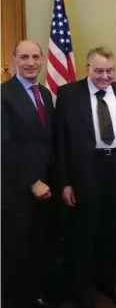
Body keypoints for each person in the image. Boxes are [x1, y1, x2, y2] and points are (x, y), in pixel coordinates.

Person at [55, 47, 116, 308]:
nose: (104, 76)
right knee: (84, 232)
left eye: (110, 70)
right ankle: (82, 289)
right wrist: (65, 181)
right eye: (98, 70)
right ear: (87, 68)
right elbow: (60, 141)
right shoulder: (68, 94)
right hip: (83, 171)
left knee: (113, 231)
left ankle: (109, 281)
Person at [1, 40, 55, 308]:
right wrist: (32, 181)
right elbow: (4, 147)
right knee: (17, 252)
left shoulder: (43, 93)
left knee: (39, 246)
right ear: (13, 61)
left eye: (35, 56)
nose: (30, 62)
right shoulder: (3, 94)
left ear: (43, 60)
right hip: (17, 191)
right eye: (24, 57)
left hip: (45, 188)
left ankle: (37, 296)